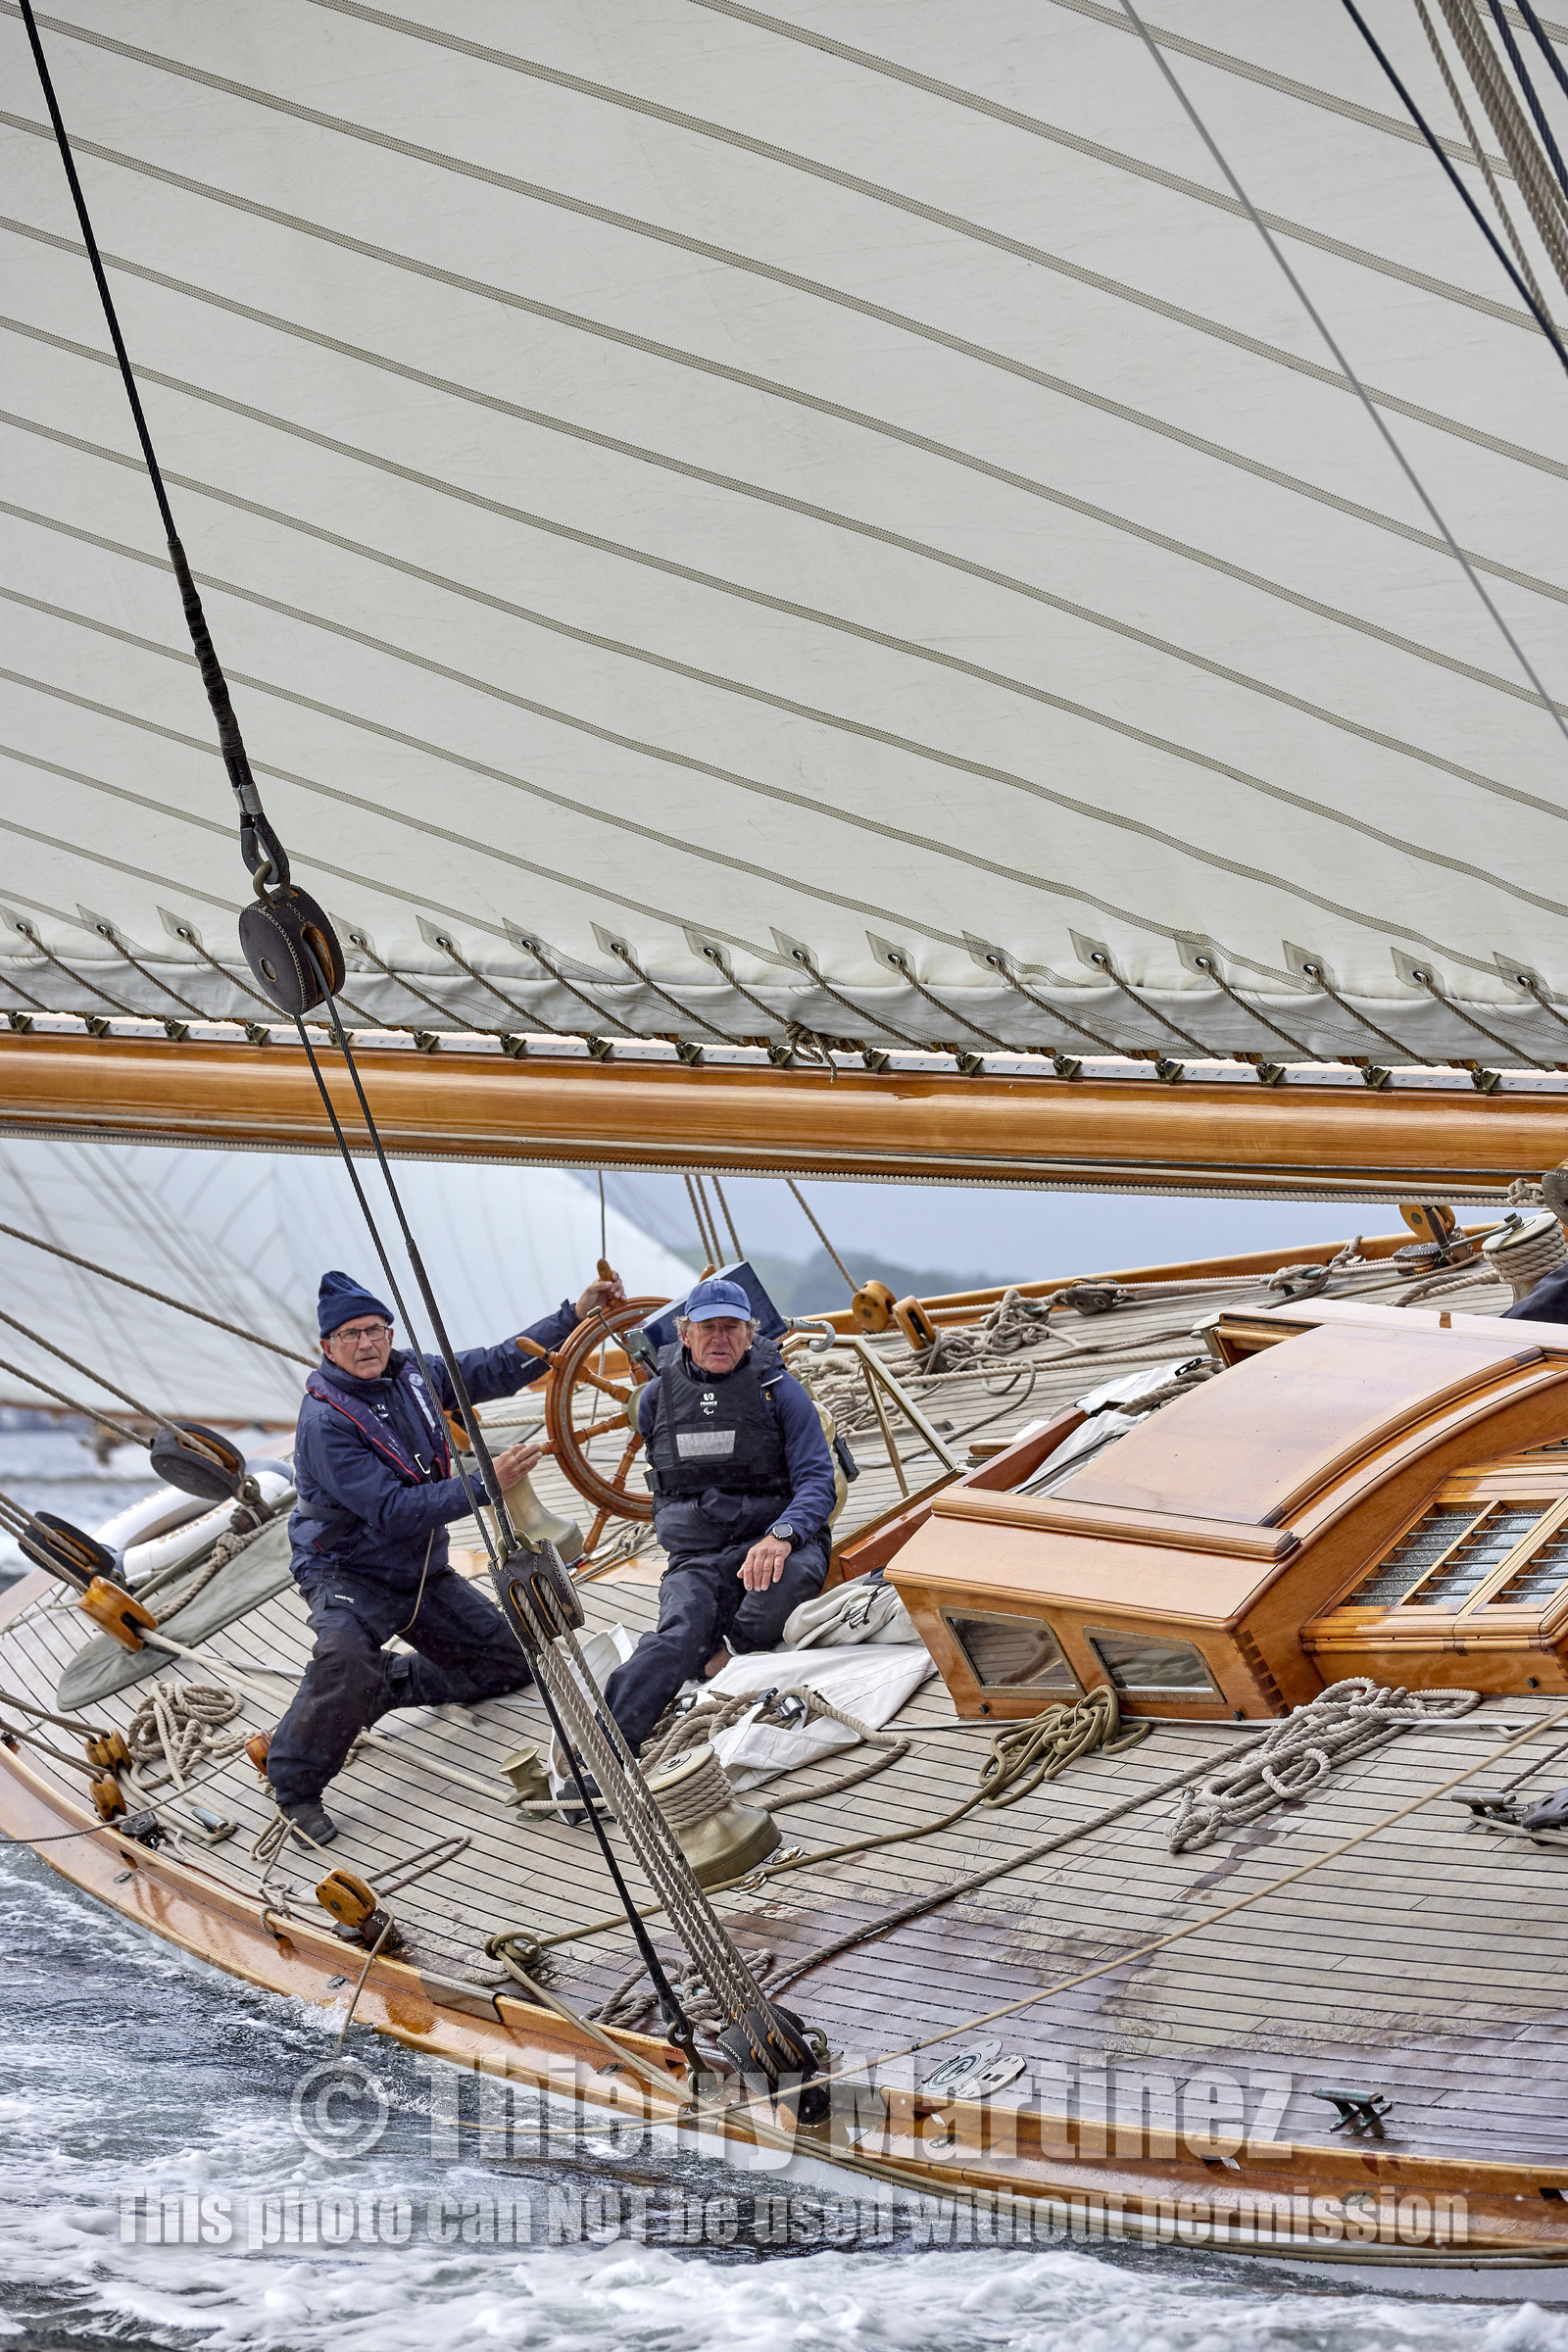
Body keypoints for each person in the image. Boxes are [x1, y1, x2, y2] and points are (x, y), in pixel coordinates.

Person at [267, 1263, 624, 1845]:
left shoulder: (414, 1374)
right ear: (327, 1347)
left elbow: (498, 1365)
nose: (367, 1344)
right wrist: (487, 1482)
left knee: (507, 1662)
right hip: (348, 1572)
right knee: (343, 1661)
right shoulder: (324, 1422)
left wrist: (574, 1317)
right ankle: (295, 1786)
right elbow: (392, 1510)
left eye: (375, 1330)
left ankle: (387, 1686)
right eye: (351, 1335)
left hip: (418, 1571)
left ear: (388, 1333)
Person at [603, 1276, 837, 1753]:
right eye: (707, 1328)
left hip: (769, 1542)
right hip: (698, 1555)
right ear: (684, 1334)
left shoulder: (781, 1392)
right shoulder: (655, 1399)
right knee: (677, 1636)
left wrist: (783, 1535)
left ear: (751, 1335)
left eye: (732, 1328)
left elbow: (817, 1481)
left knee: (781, 1591)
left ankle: (726, 1655)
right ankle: (604, 1747)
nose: (720, 1338)